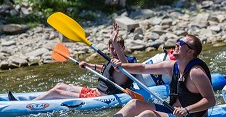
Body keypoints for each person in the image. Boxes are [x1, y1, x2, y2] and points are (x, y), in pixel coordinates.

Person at [105, 34, 216, 117]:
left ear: (190, 52)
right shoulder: (172, 66)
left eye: (181, 43)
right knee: (134, 104)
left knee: (147, 115)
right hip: (172, 111)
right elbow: (143, 68)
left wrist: (186, 110)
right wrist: (122, 65)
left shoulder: (196, 73)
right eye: (178, 41)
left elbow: (211, 100)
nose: (177, 44)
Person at [8, 23, 136, 101]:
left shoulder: (126, 65)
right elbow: (104, 69)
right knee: (60, 85)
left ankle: (29, 104)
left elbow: (124, 66)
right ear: (108, 48)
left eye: (117, 48)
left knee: (56, 92)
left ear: (123, 48)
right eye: (112, 47)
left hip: (101, 98)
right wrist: (88, 65)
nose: (114, 50)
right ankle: (30, 100)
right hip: (94, 92)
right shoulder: (111, 62)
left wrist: (114, 42)